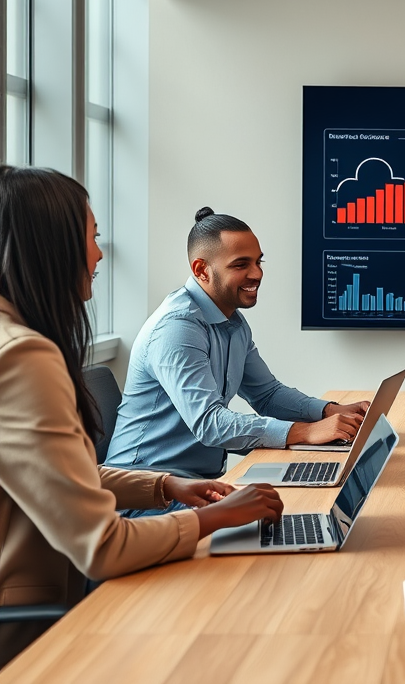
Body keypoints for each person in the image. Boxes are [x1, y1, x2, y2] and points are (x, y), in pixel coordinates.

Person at [0, 166, 283, 665]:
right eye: (92, 237)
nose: (100, 254)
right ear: (50, 245)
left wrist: (163, 487)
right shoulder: (22, 357)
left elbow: (60, 476)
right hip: (34, 629)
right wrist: (213, 517)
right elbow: (102, 546)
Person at [106, 208, 369, 483]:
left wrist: (329, 411)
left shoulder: (233, 322)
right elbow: (210, 424)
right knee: (280, 513)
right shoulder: (177, 328)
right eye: (241, 264)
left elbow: (267, 394)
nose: (256, 273)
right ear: (201, 270)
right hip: (145, 493)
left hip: (196, 484)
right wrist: (305, 432)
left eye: (258, 262)